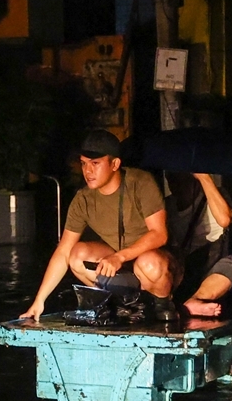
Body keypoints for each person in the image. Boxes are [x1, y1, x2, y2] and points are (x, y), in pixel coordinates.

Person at [20, 130, 180, 321]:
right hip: (122, 268)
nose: (88, 171)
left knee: (149, 263)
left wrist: (119, 257)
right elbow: (63, 251)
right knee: (76, 254)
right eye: (84, 163)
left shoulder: (141, 182)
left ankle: (162, 304)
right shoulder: (83, 199)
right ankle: (119, 303)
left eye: (95, 164)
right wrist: (39, 301)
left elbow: (159, 234)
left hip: (158, 266)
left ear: (115, 164)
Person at [164, 172, 232, 317]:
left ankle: (195, 301)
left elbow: (225, 220)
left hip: (213, 262)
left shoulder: (216, 195)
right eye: (172, 179)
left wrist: (204, 177)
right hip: (183, 267)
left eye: (183, 179)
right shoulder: (168, 205)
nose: (177, 185)